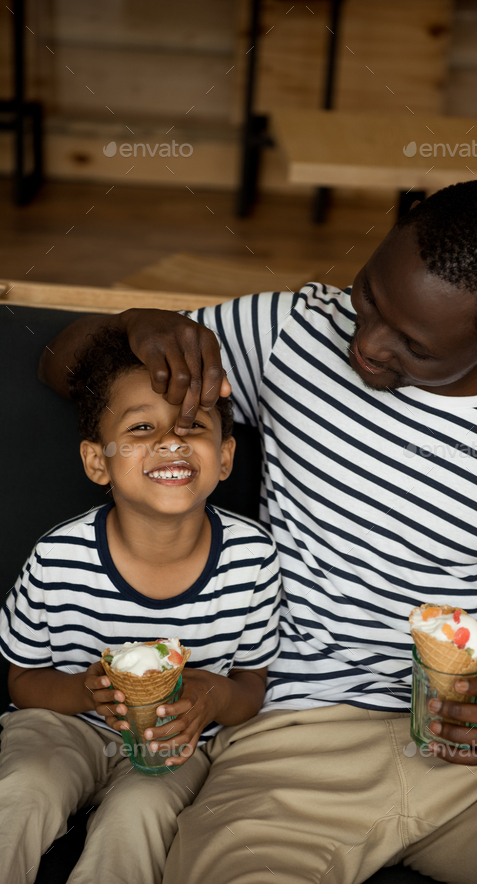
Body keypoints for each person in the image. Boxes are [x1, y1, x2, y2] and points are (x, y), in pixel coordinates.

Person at [39, 179, 477, 884]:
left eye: (412, 348)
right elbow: (61, 367)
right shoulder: (291, 332)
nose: (364, 346)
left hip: (476, 763)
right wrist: (134, 326)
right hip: (290, 743)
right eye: (367, 301)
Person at [0, 327, 281, 884]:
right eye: (141, 427)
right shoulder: (59, 558)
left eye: (193, 426)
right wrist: (83, 691)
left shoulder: (252, 559)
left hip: (177, 745)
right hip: (63, 725)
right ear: (97, 461)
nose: (171, 441)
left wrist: (210, 693)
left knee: (140, 817)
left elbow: (250, 690)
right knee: (24, 790)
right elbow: (22, 680)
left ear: (225, 457)